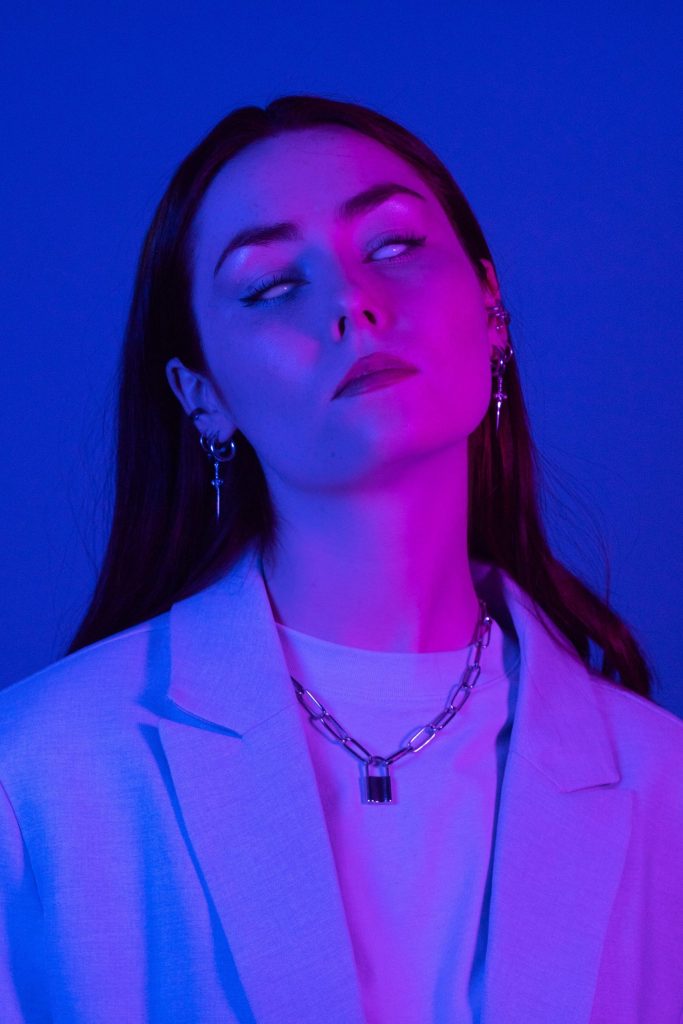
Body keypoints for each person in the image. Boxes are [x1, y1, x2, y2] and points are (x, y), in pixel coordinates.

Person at [0, 94, 681, 1024]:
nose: (354, 304)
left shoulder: (660, 781)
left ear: (491, 307)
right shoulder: (38, 776)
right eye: (271, 286)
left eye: (393, 246)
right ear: (201, 395)